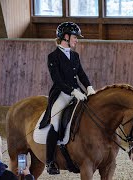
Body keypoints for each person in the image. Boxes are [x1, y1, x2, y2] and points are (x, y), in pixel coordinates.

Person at [38, 21, 96, 175]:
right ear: (66, 37)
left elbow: (81, 74)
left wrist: (89, 87)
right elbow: (57, 80)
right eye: (75, 37)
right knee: (55, 123)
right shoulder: (53, 57)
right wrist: (72, 91)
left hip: (78, 92)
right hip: (61, 94)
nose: (77, 40)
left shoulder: (75, 55)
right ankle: (50, 161)